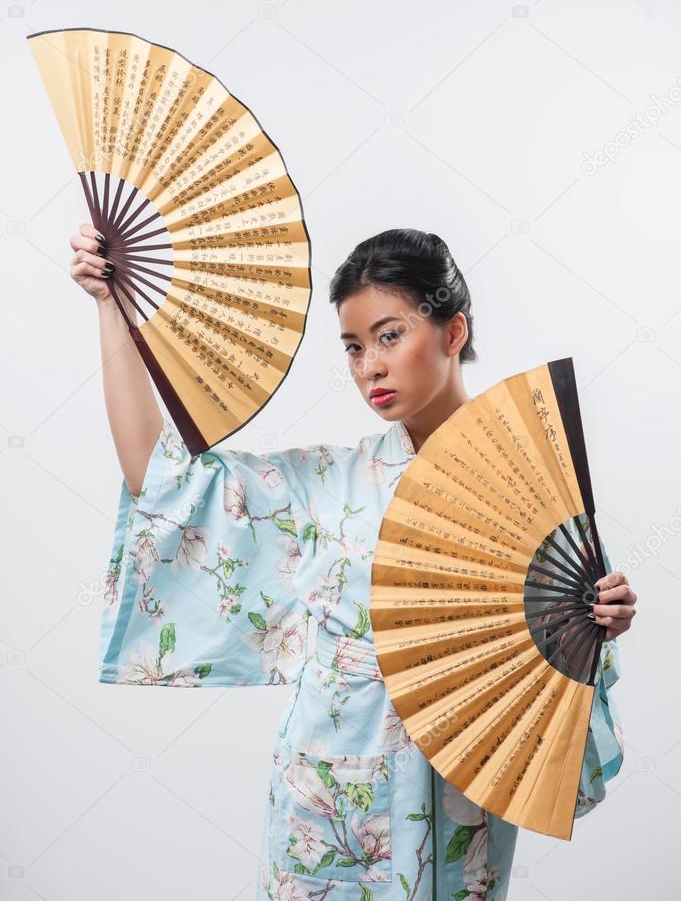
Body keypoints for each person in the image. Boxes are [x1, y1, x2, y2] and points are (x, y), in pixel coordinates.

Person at [70, 224, 637, 900]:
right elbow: (166, 487)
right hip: (332, 799)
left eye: (389, 335)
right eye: (353, 345)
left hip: (461, 791)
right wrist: (113, 309)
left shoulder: (531, 486)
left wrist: (600, 619)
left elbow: (556, 671)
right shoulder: (326, 486)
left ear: (452, 332)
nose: (369, 364)